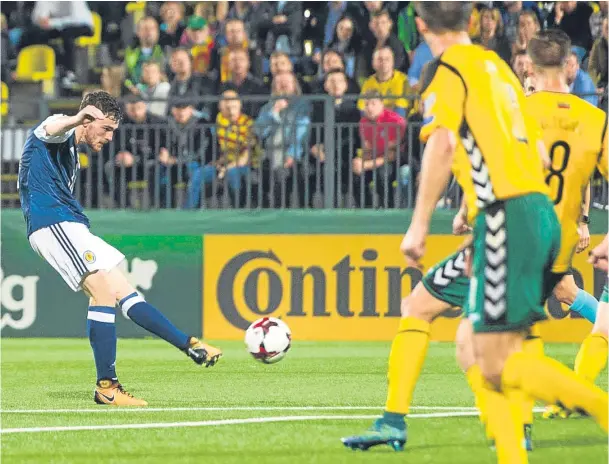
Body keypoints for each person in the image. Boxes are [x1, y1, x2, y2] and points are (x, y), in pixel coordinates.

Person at [341, 4, 608, 460]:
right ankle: (412, 424)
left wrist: (419, 225)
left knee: (496, 356)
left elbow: (444, 142)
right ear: (469, 20)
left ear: (421, 27)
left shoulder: (449, 72)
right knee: (469, 342)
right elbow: (537, 153)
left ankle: (594, 410)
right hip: (528, 215)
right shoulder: (499, 69)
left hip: (509, 217)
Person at [17, 91, 222, 406]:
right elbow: (53, 126)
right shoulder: (58, 133)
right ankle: (107, 387)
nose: (111, 137)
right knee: (101, 291)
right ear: (89, 119)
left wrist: (187, 344)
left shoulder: (70, 149)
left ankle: (190, 344)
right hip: (53, 223)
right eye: (107, 128)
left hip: (71, 224)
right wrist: (76, 119)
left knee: (125, 293)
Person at [20, 1, 93, 89]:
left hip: (83, 25)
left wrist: (52, 23)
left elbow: (77, 18)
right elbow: (37, 18)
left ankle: (70, 73)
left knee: (67, 34)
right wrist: (42, 20)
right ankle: (45, 67)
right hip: (57, 27)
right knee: (34, 34)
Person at [354, 89, 405, 209]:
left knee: (383, 174)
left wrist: (367, 164)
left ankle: (388, 209)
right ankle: (365, 209)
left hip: (395, 160)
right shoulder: (363, 122)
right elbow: (368, 149)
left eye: (373, 104)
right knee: (356, 175)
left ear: (382, 104)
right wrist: (360, 161)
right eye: (366, 104)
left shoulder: (395, 121)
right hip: (374, 159)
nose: (369, 108)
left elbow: (392, 154)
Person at [358, 46, 412, 118]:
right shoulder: (368, 82)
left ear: (393, 62)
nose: (384, 62)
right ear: (373, 63)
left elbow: (401, 108)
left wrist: (378, 110)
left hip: (397, 122)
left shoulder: (403, 80)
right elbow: (362, 108)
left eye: (387, 59)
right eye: (380, 59)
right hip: (374, 122)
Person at [124, 17, 165, 87]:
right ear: (138, 32)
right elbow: (125, 77)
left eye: (152, 28)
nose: (149, 32)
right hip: (135, 94)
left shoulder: (165, 52)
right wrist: (130, 86)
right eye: (145, 29)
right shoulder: (130, 53)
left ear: (157, 32)